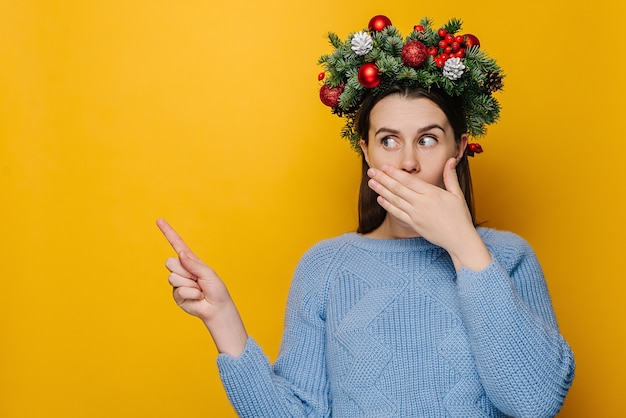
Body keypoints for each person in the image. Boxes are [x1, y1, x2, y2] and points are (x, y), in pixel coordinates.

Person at [157, 15, 575, 417]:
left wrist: (466, 247)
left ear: (460, 147)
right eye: (388, 140)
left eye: (428, 139)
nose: (408, 162)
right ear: (365, 150)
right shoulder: (325, 267)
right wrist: (223, 319)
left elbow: (534, 403)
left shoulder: (507, 257)